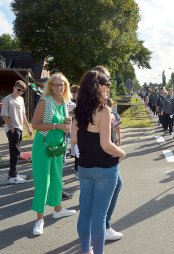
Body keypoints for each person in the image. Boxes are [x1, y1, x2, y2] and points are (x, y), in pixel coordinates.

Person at [72, 69, 126, 254]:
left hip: (85, 167)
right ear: (99, 87)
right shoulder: (103, 110)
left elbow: (75, 139)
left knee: (85, 212)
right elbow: (106, 144)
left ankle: (86, 250)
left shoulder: (78, 109)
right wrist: (122, 152)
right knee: (99, 217)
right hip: (105, 169)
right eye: (107, 85)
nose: (109, 89)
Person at [31, 73, 76, 236]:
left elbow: (63, 122)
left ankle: (57, 209)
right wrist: (57, 126)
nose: (60, 87)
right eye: (56, 85)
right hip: (43, 146)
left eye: (62, 84)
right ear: (50, 86)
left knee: (57, 179)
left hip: (58, 146)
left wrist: (66, 122)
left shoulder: (63, 102)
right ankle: (39, 219)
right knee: (43, 181)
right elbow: (35, 125)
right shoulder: (45, 101)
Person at [1, 80, 33, 184]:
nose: (20, 92)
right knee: (14, 153)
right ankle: (12, 176)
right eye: (19, 89)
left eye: (22, 91)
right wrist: (11, 127)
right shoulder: (7, 99)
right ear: (14, 87)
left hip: (19, 128)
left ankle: (14, 173)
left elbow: (23, 115)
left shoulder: (21, 99)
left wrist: (28, 128)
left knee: (17, 152)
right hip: (12, 129)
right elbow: (4, 115)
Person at [105, 97, 124, 241]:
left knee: (117, 185)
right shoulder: (104, 113)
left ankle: (102, 226)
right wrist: (119, 152)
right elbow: (105, 142)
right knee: (113, 187)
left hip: (91, 159)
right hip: (106, 157)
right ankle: (104, 226)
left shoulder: (86, 110)